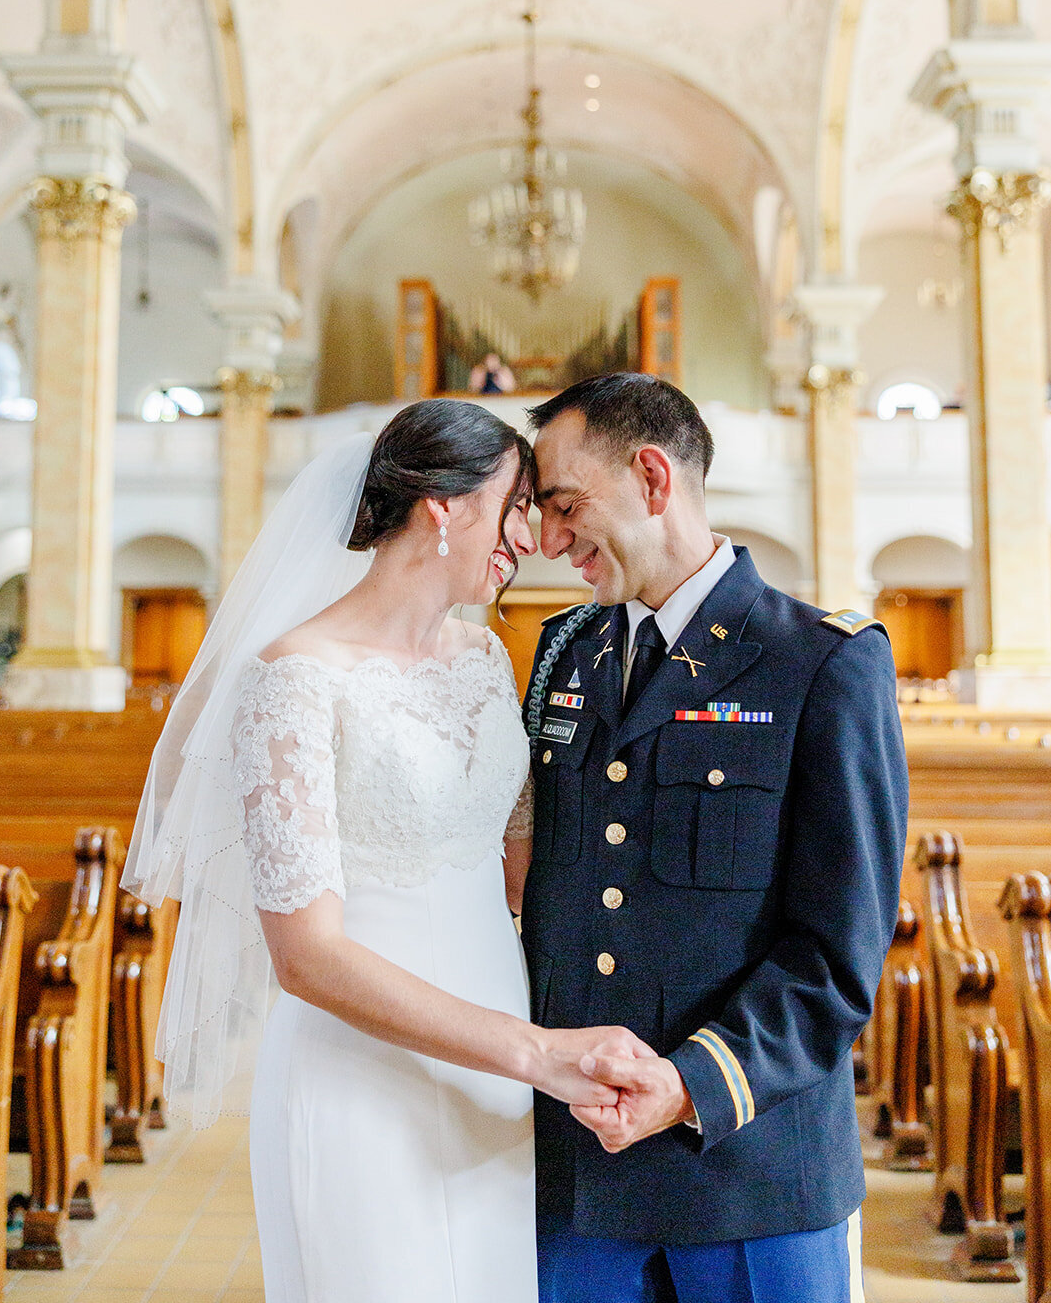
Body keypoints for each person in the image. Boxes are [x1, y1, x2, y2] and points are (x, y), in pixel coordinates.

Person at [123, 399, 645, 1303]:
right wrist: (530, 1052)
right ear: (443, 507)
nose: (530, 536)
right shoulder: (294, 679)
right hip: (363, 1066)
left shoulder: (484, 662)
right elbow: (307, 957)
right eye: (516, 503)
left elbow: (524, 871)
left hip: (498, 1068)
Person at [519, 372, 909, 1303]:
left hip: (748, 1170)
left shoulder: (821, 659)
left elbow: (838, 952)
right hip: (581, 1175)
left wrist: (690, 1084)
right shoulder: (563, 652)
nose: (548, 539)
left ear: (652, 478)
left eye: (566, 505)